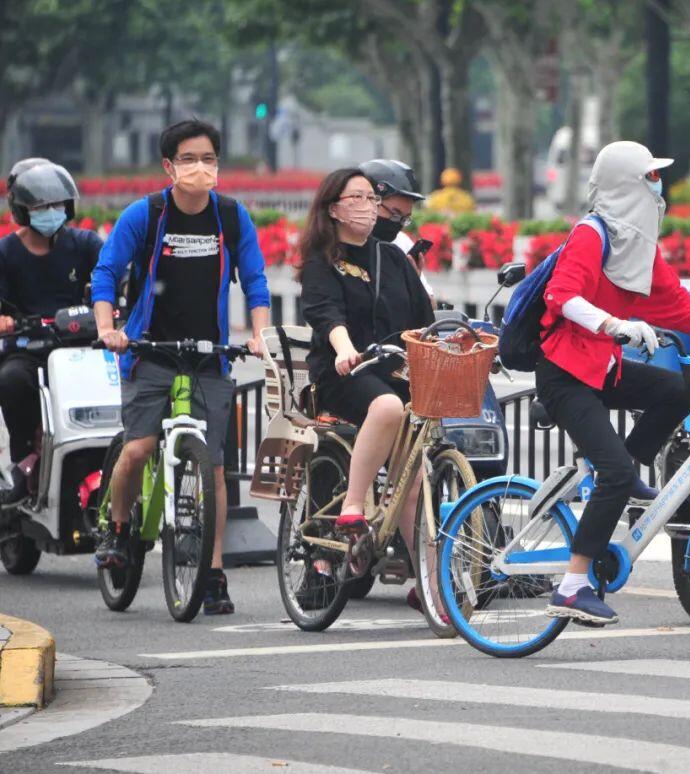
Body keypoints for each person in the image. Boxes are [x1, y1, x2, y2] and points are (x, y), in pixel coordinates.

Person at [537, 140, 690, 626]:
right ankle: (572, 586)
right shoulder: (591, 234)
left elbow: (674, 303)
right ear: (624, 183)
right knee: (611, 472)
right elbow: (561, 296)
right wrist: (614, 326)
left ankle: (627, 469)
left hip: (601, 366)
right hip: (565, 373)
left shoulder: (637, 243)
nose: (659, 187)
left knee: (674, 391)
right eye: (650, 177)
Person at [90, 119, 271, 615]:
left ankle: (212, 576)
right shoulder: (145, 214)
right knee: (139, 447)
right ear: (169, 166)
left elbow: (255, 281)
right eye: (189, 160)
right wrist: (110, 328)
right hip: (150, 351)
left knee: (213, 464)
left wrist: (258, 335)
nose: (200, 168)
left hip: (209, 353)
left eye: (209, 159)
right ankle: (120, 529)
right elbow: (106, 273)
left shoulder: (231, 217)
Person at [298, 167, 434, 611]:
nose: (367, 207)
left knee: (413, 482)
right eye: (355, 198)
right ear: (333, 208)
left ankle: (433, 590)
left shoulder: (392, 258)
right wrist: (343, 350)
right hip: (343, 374)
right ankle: (353, 506)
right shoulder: (323, 260)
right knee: (389, 408)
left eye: (371, 198)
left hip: (394, 372)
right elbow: (327, 316)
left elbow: (422, 322)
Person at [0, 160, 102, 501]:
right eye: (41, 207)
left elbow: (113, 277)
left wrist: (117, 304)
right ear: (22, 210)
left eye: (57, 205)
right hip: (28, 348)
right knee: (12, 380)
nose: (51, 212)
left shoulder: (86, 244)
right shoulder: (6, 252)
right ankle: (24, 460)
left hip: (83, 348)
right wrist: (5, 320)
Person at [359, 158, 435, 302]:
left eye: (404, 219)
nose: (396, 224)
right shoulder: (339, 244)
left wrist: (413, 282)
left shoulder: (401, 243)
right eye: (394, 214)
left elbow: (431, 305)